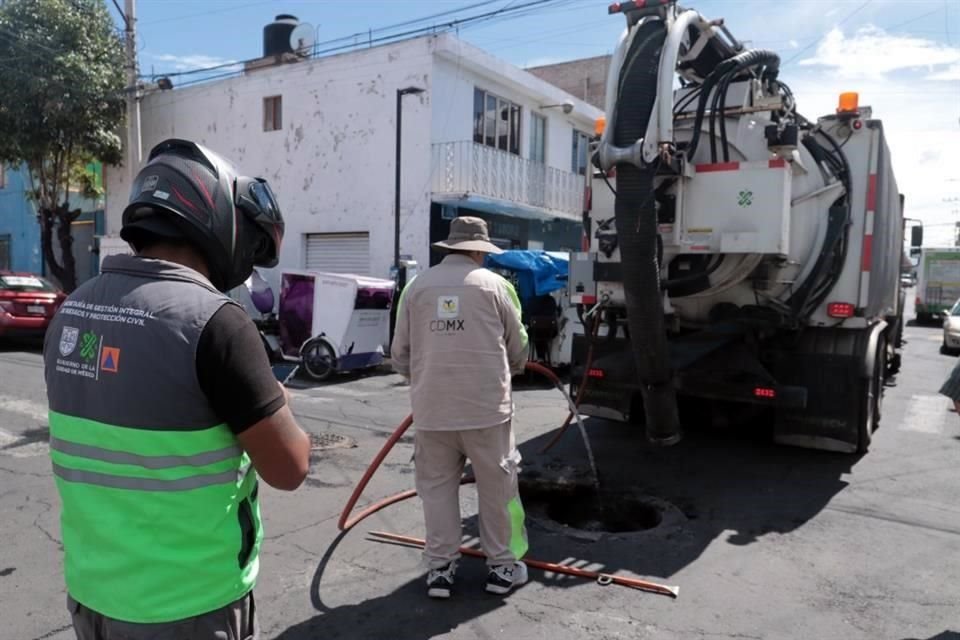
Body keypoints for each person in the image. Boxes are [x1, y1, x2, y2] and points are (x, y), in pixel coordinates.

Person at [43, 139, 311, 639]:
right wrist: (280, 404)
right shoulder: (216, 323)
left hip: (92, 598)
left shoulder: (72, 312)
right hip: (187, 606)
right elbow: (290, 467)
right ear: (215, 217)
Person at [390, 216, 530, 599]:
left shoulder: (415, 289)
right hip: (487, 411)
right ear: (478, 251)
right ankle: (501, 568)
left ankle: (440, 570)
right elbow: (518, 347)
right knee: (497, 489)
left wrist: (425, 378)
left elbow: (399, 354)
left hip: (433, 412)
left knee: (436, 491)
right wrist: (510, 368)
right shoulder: (498, 287)